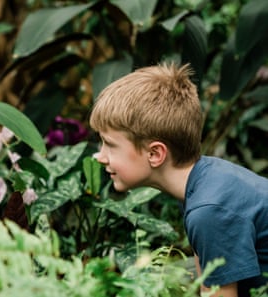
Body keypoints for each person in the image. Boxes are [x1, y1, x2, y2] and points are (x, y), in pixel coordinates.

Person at [89, 63, 268, 297]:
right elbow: (206, 285)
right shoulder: (203, 183)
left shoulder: (209, 210)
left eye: (110, 145)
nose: (99, 156)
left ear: (155, 154)